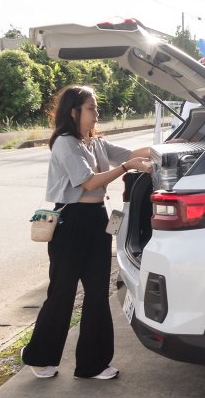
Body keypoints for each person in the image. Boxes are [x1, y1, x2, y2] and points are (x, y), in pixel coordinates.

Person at [21, 86, 151, 380]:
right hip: (71, 221)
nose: (96, 113)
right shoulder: (65, 143)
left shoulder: (94, 142)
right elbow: (88, 182)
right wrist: (127, 168)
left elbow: (131, 153)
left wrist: (164, 147)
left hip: (96, 219)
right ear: (73, 111)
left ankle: (93, 364)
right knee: (62, 293)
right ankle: (41, 358)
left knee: (96, 293)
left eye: (95, 108)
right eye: (91, 108)